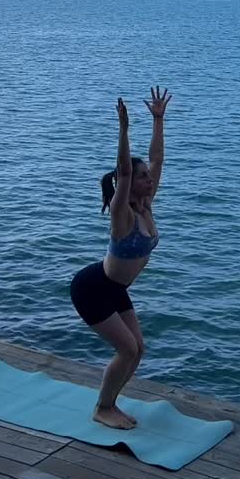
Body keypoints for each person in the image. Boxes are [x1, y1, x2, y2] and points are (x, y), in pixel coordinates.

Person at [70, 86, 172, 429]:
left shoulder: (146, 204)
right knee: (127, 350)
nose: (150, 179)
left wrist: (158, 120)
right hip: (92, 288)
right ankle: (103, 407)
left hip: (115, 289)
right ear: (129, 183)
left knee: (138, 349)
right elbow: (125, 172)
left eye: (148, 177)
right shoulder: (122, 215)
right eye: (144, 177)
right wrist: (124, 130)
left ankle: (110, 402)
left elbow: (157, 159)